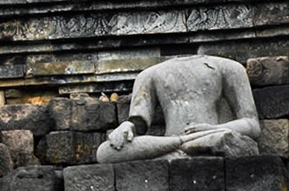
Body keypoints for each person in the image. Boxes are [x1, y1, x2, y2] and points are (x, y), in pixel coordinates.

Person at [96, 54, 261, 162]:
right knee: (104, 153)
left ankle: (186, 147)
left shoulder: (229, 68)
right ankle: (182, 144)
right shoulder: (149, 74)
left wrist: (213, 129)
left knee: (227, 140)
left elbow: (252, 125)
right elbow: (139, 122)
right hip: (169, 144)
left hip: (212, 137)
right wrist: (126, 126)